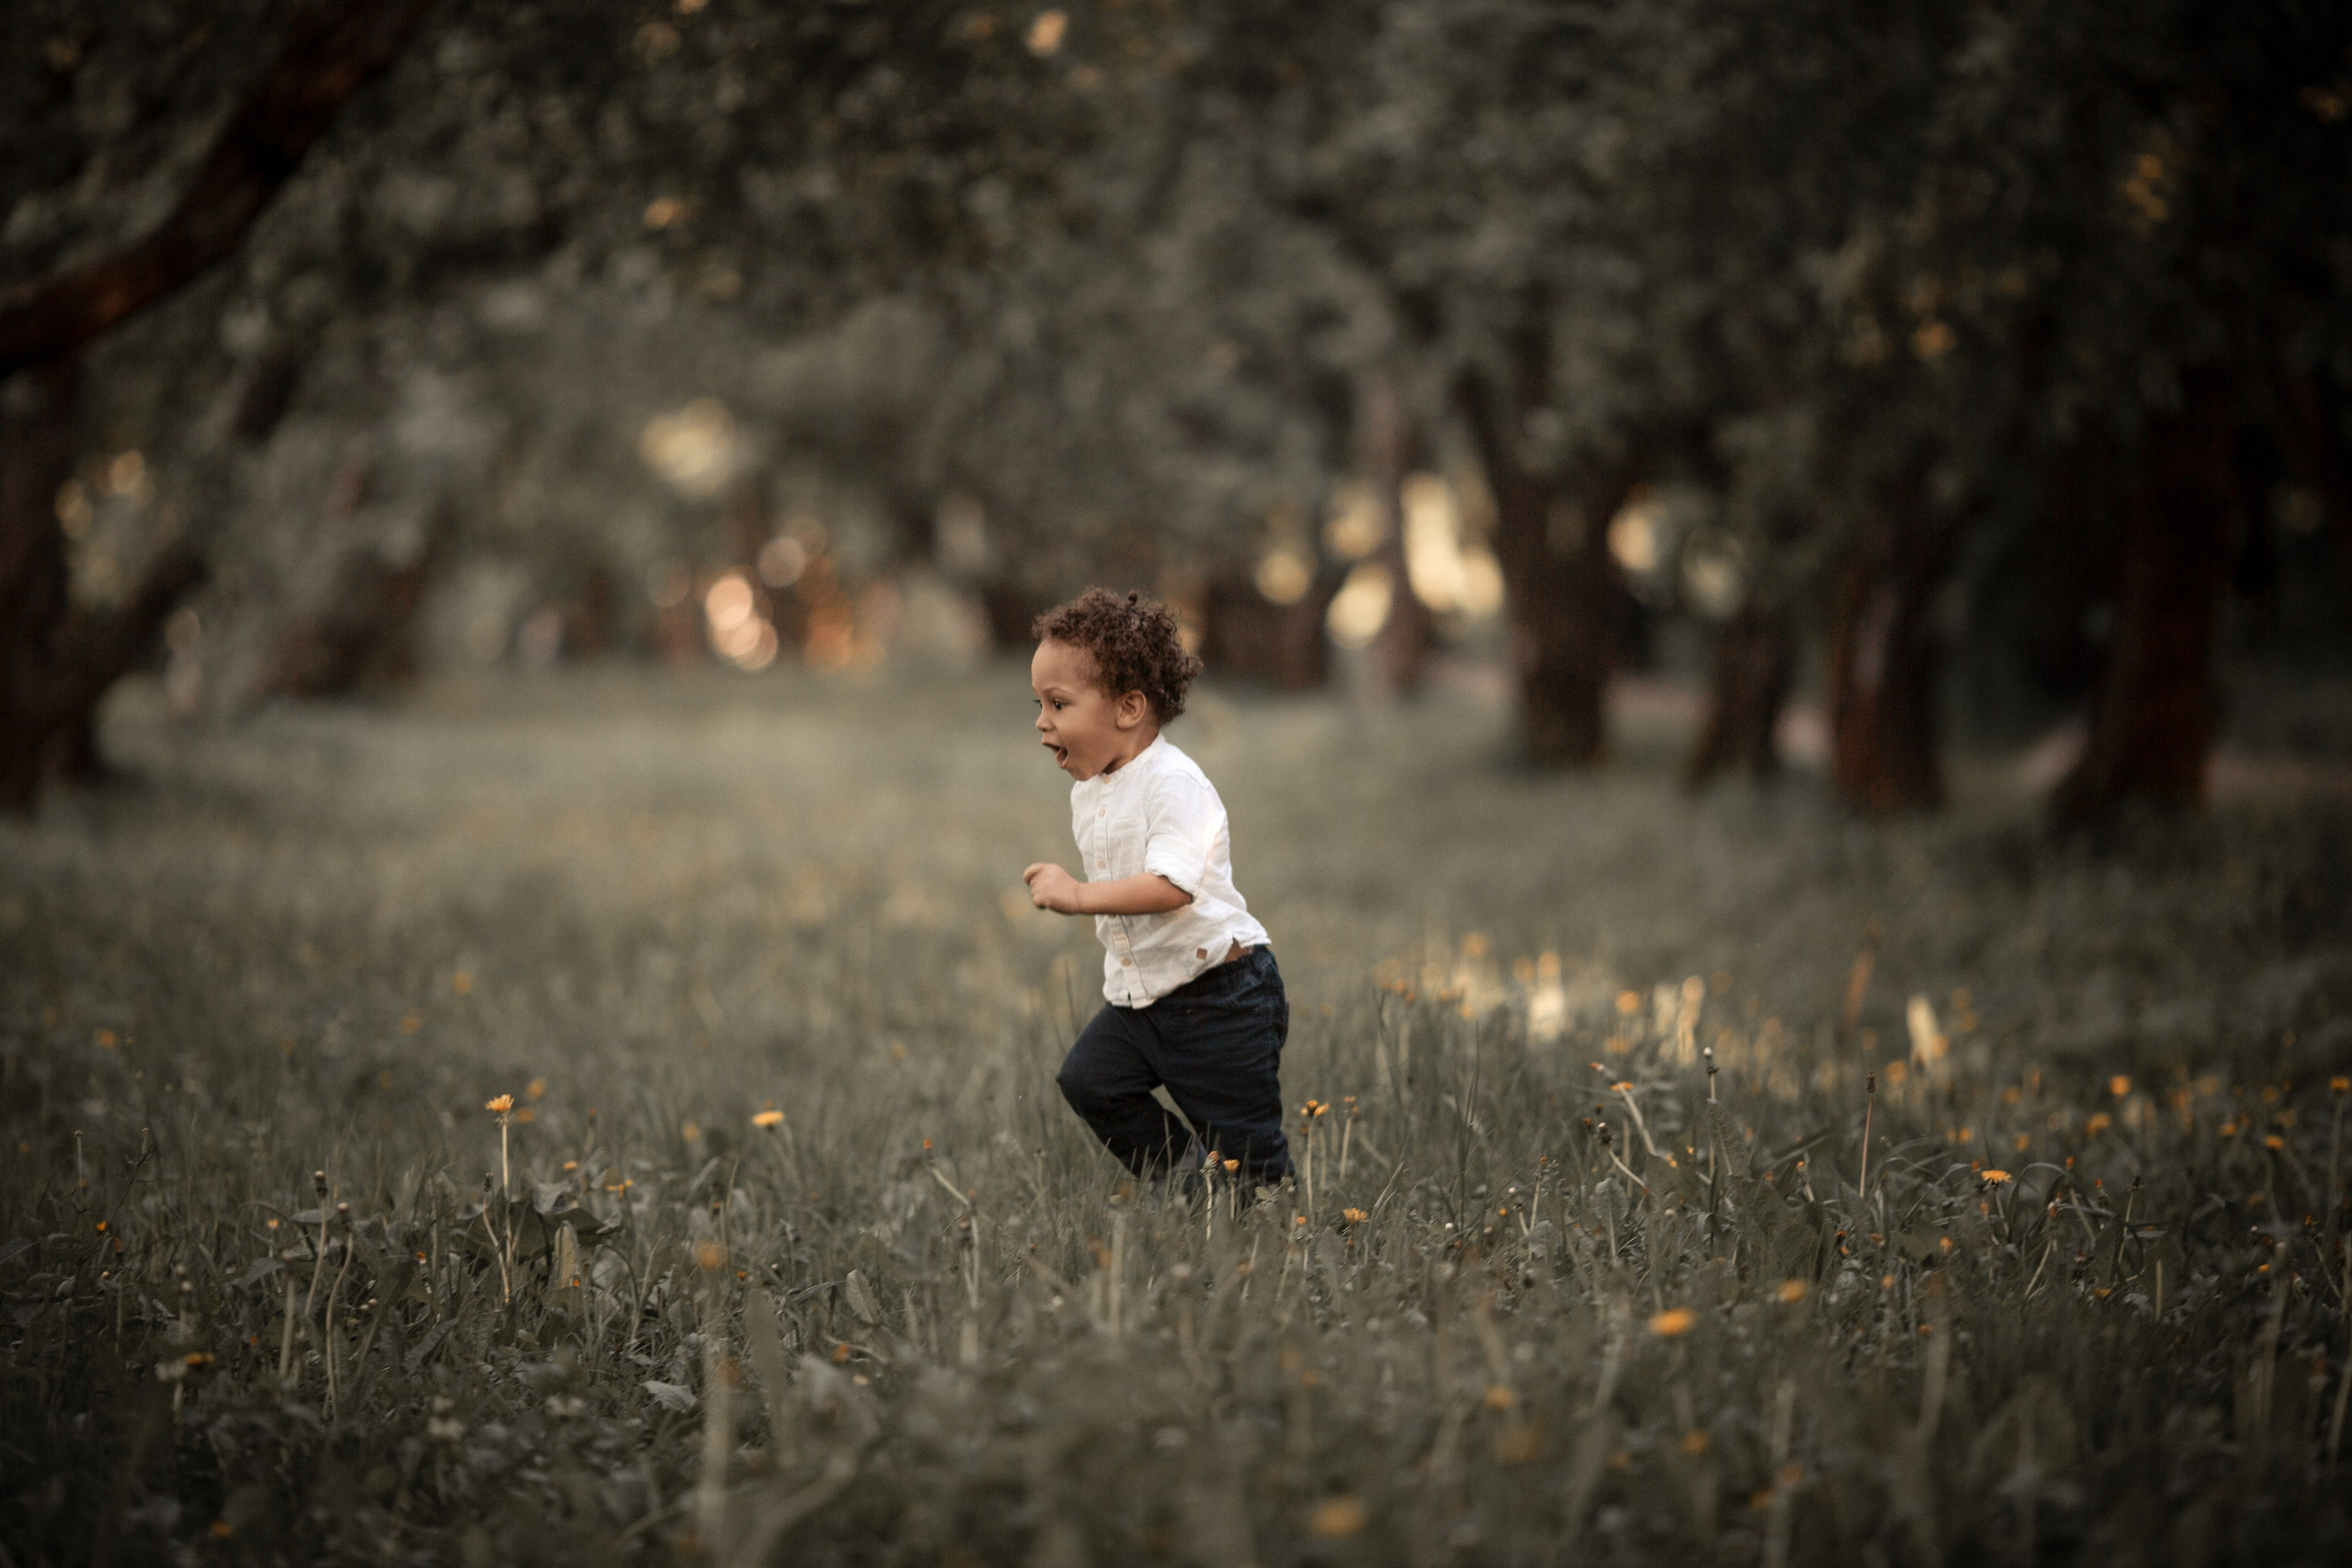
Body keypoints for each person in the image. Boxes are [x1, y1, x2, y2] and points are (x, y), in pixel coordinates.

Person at [1022, 588, 1291, 1192]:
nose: (1041, 721)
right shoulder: (1087, 792)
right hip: (1145, 999)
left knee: (1249, 1155)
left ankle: (1282, 1225)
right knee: (1090, 1081)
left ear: (1128, 707)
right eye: (1037, 703)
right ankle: (1190, 1183)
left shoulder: (1174, 783)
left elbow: (1173, 886)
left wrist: (1078, 893)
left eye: (1058, 703)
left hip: (1222, 998)